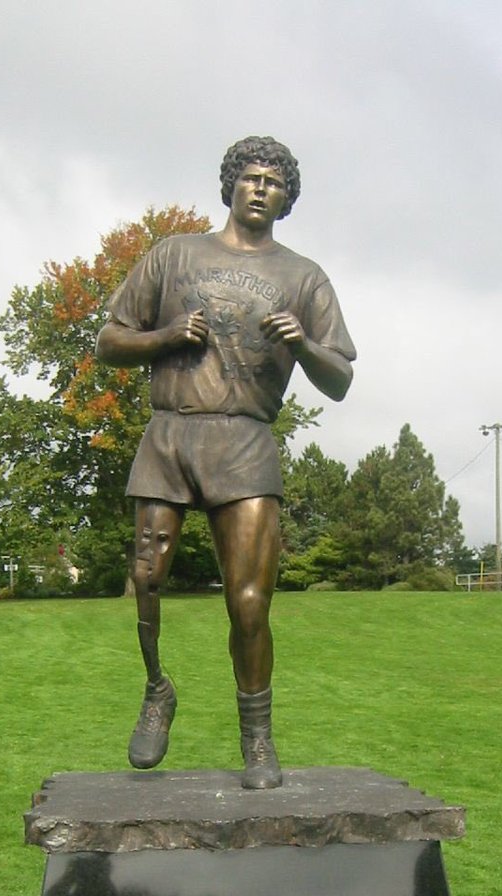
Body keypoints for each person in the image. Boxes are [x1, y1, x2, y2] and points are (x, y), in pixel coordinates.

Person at [95, 136, 356, 788]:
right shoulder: (175, 255)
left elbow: (342, 375)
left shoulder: (303, 277)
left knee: (248, 603)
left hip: (245, 442)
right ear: (230, 187)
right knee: (147, 576)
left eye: (273, 181)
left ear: (286, 199)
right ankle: (158, 689)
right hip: (172, 433)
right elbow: (109, 339)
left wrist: (304, 343)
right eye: (251, 178)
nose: (261, 188)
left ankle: (258, 739)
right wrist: (166, 335)